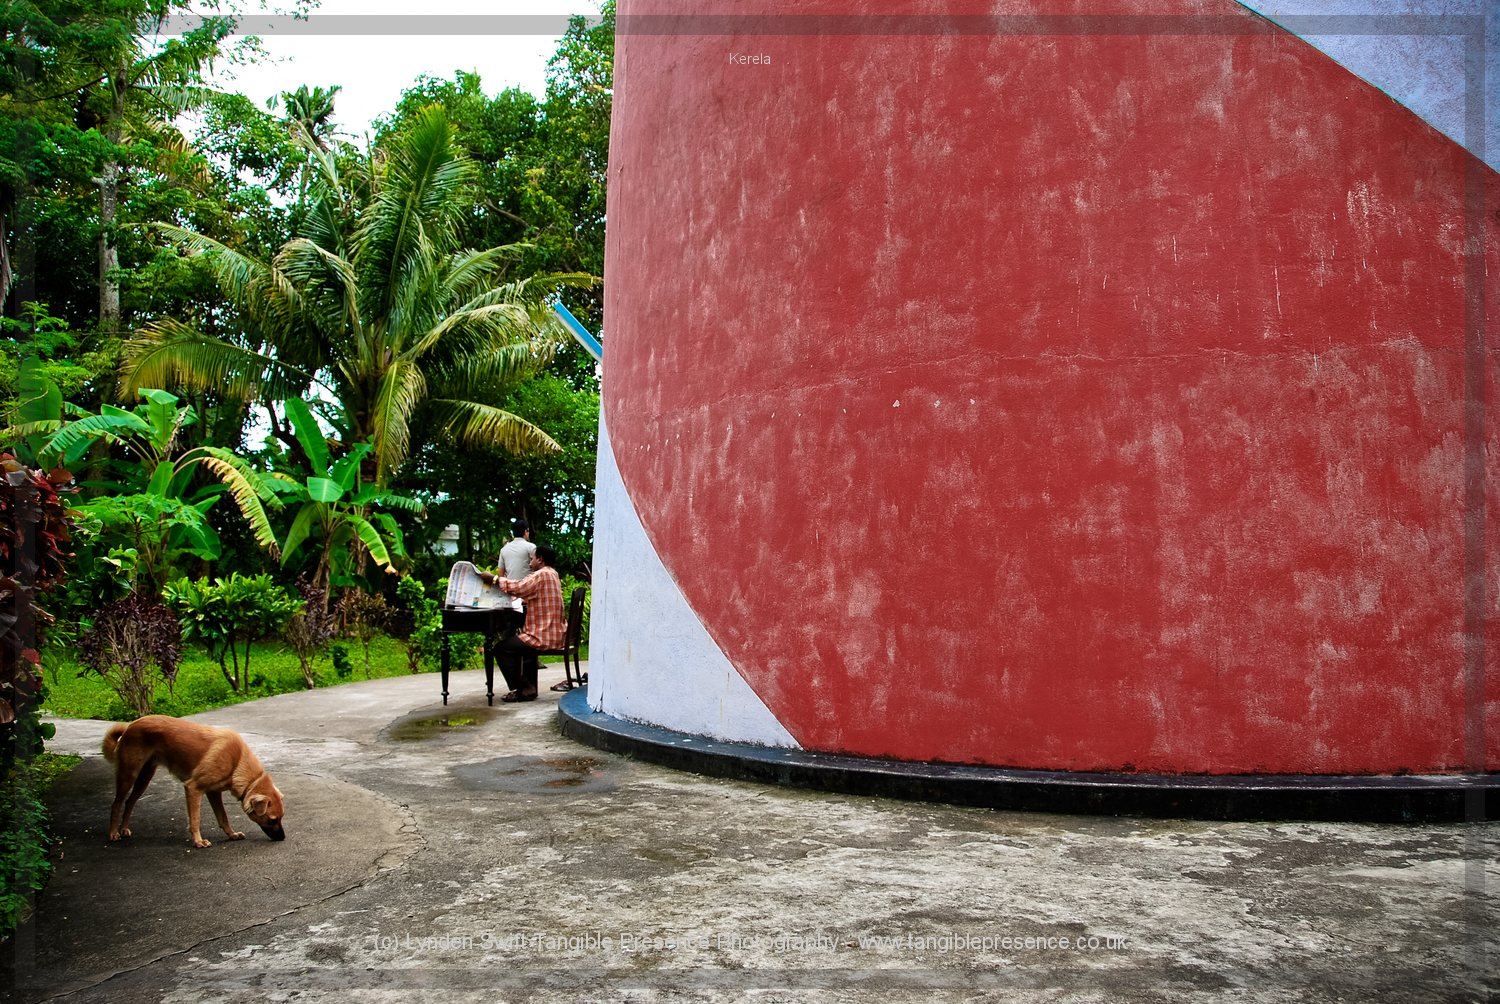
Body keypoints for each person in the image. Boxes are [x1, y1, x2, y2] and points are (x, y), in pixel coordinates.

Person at [481, 544, 563, 702]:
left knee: (500, 649)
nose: (530, 562)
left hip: (542, 635)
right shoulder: (553, 574)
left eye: (532, 558)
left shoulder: (540, 575)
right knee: (518, 643)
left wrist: (494, 579)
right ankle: (528, 687)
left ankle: (524, 688)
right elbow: (534, 593)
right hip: (554, 632)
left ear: (540, 559)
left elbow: (518, 586)